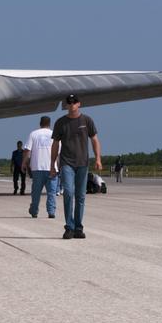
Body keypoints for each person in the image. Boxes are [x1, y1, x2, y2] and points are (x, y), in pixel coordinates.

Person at [50, 94, 103, 240]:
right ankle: (69, 227)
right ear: (66, 105)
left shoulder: (87, 120)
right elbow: (55, 144)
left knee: (80, 196)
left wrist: (98, 158)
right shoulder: (61, 123)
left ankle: (78, 227)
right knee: (68, 192)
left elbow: (94, 140)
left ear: (79, 104)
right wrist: (52, 165)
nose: (71, 105)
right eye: (69, 103)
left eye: (74, 102)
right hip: (67, 163)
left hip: (82, 164)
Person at [22, 116, 57, 219]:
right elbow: (58, 152)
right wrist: (58, 166)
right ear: (50, 124)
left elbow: (27, 150)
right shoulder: (54, 134)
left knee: (36, 192)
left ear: (40, 123)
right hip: (51, 168)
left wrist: (24, 163)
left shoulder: (33, 134)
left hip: (37, 167)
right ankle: (51, 212)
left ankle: (34, 211)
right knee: (51, 192)